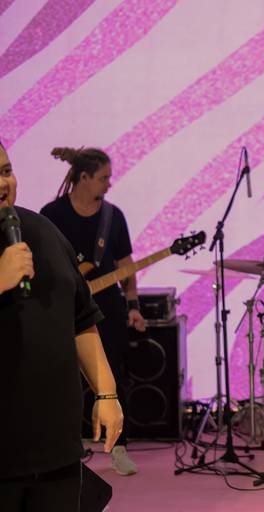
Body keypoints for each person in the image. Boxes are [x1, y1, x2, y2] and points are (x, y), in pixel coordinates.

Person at [0, 141, 123, 512]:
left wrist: (106, 393)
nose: (3, 183)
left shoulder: (42, 231)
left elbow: (81, 319)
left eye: (6, 171)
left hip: (58, 451)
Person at [40, 147, 145, 476]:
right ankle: (61, 449)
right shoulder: (52, 214)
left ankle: (119, 448)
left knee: (114, 376)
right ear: (83, 177)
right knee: (59, 378)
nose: (109, 184)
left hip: (107, 307)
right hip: (61, 306)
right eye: (103, 178)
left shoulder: (113, 216)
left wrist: (133, 306)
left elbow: (126, 265)